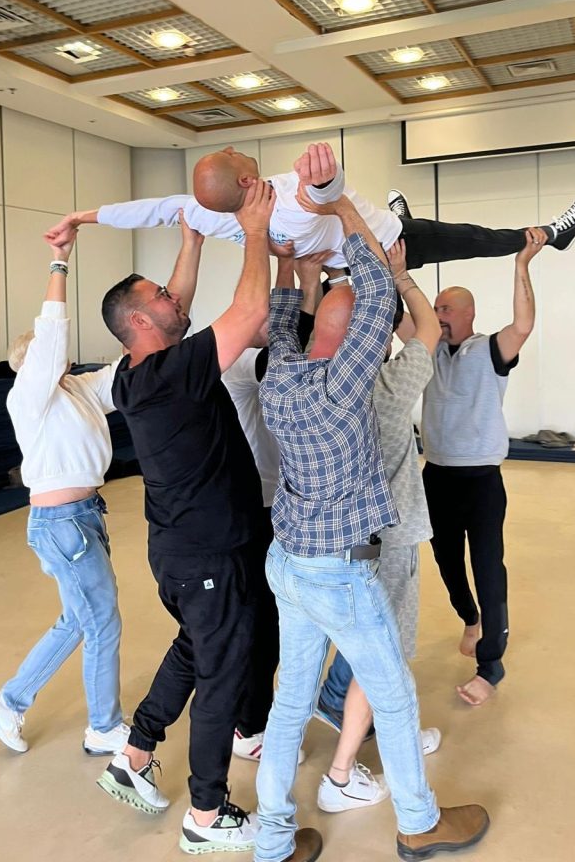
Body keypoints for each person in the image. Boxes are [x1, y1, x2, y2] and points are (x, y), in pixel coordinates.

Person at [256, 179, 489, 862]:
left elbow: (280, 321)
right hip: (340, 573)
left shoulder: (282, 378)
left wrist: (287, 260)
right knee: (394, 699)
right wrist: (338, 208)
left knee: (289, 704)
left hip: (287, 565)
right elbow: (386, 303)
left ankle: (273, 841)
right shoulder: (354, 389)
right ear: (359, 336)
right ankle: (418, 823)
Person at [95, 189, 276, 856]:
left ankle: (135, 753)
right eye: (165, 300)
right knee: (222, 673)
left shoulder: (132, 372)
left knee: (196, 651)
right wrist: (253, 230)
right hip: (208, 554)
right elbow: (250, 309)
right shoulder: (177, 371)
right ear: (144, 321)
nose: (177, 302)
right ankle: (207, 813)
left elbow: (169, 307)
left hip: (176, 553)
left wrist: (193, 243)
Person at [0, 229, 128, 757]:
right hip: (63, 525)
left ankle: (8, 702)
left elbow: (120, 374)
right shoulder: (29, 397)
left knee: (78, 619)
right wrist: (59, 264)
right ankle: (105, 726)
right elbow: (53, 334)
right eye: (48, 354)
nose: (58, 358)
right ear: (35, 361)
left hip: (83, 518)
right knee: (102, 622)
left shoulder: (76, 390)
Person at [314, 239, 444, 814]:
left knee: (332, 644)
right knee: (384, 651)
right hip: (388, 541)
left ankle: (346, 716)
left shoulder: (303, 384)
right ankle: (342, 772)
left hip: (323, 541)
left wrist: (298, 270)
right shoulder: (391, 387)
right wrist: (399, 276)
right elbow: (432, 328)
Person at [44, 144, 575, 271]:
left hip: (337, 261)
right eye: (234, 153)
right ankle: (547, 234)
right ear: (244, 174)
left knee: (379, 210)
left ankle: (396, 207)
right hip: (389, 245)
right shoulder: (293, 204)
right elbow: (322, 198)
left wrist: (81, 218)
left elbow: (152, 209)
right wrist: (327, 180)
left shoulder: (209, 210)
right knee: (475, 240)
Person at [421, 228, 547, 707]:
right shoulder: (429, 347)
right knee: (447, 561)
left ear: (468, 313)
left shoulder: (491, 351)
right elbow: (403, 317)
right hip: (437, 474)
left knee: (487, 566)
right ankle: (469, 618)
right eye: (436, 310)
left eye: (445, 310)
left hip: (481, 480)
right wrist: (397, 263)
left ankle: (491, 665)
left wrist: (521, 266)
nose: (438, 316)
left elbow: (524, 323)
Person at [221, 245, 327, 766]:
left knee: (276, 616)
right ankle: (249, 725)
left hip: (272, 503)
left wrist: (295, 270)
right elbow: (294, 337)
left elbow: (294, 334)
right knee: (260, 619)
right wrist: (303, 280)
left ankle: (260, 714)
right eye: (268, 315)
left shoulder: (257, 358)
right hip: (255, 507)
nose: (276, 323)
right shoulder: (245, 364)